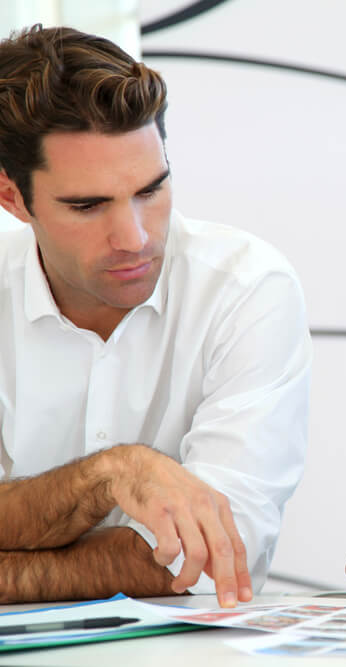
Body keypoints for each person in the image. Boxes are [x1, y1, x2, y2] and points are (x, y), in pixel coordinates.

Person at [0, 25, 311, 607]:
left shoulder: (246, 290)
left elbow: (210, 553)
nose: (134, 238)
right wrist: (111, 473)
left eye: (151, 189)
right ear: (12, 196)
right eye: (87, 206)